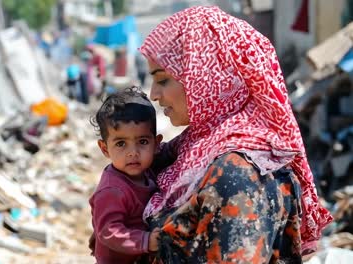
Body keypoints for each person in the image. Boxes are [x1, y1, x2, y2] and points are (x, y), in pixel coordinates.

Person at [137, 6, 333, 263]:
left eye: (162, 80)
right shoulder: (193, 151)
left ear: (207, 75)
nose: (153, 94)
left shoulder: (239, 172)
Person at [89, 87, 164, 263]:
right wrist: (146, 241)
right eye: (121, 143)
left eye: (143, 142)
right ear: (105, 149)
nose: (133, 153)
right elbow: (109, 231)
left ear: (156, 144)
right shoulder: (112, 190)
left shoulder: (147, 171)